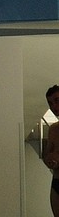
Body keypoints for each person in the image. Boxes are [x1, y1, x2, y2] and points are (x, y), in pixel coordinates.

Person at [44, 84, 59, 215]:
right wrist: (50, 160)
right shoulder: (53, 129)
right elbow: (48, 154)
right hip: (57, 181)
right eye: (50, 103)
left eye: (57, 100)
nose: (54, 107)